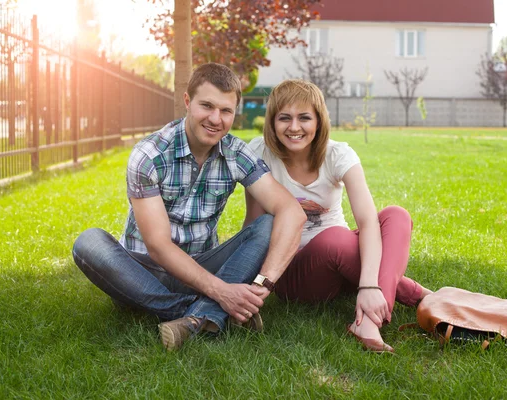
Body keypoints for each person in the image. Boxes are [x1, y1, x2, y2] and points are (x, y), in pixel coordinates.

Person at [72, 63, 306, 351]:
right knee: (88, 243)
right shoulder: (150, 154)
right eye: (206, 106)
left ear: (235, 113)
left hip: (201, 264)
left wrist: (262, 286)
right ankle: (208, 312)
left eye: (226, 111)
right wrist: (224, 292)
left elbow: (292, 211)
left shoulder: (237, 153)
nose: (215, 119)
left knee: (269, 223)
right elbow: (158, 246)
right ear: (187, 102)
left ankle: (197, 318)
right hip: (141, 271)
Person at [244, 79, 432, 353]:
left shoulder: (338, 155)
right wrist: (249, 283)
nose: (294, 127)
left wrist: (368, 284)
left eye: (304, 118)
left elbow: (367, 222)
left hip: (342, 259)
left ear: (319, 121)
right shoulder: (259, 152)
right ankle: (418, 295)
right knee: (336, 239)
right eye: (284, 118)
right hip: (294, 271)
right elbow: (255, 224)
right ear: (272, 122)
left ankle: (368, 320)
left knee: (396, 215)